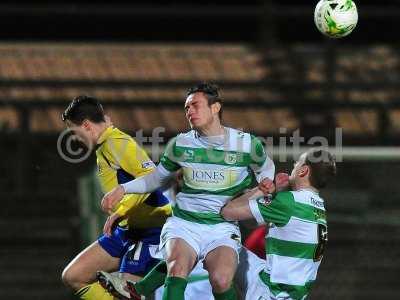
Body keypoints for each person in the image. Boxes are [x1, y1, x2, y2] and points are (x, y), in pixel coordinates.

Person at [101, 83, 275, 300]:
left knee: (221, 280)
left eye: (195, 105)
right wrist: (122, 189)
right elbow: (156, 178)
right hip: (185, 223)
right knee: (177, 269)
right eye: (186, 108)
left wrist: (266, 181)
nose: (189, 111)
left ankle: (139, 289)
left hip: (221, 227)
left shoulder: (246, 144)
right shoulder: (180, 144)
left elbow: (266, 167)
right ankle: (140, 289)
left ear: (215, 108)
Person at [60, 95, 171, 300]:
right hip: (127, 229)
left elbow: (151, 177)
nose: (74, 138)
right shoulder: (106, 143)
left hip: (150, 230)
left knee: (128, 292)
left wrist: (120, 210)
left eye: (73, 131)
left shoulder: (116, 142)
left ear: (85, 125)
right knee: (74, 275)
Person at [222, 148, 336, 300]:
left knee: (218, 242)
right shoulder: (318, 207)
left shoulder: (291, 201)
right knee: (229, 249)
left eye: (297, 164)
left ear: (303, 171)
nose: (293, 167)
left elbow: (228, 211)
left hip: (269, 292)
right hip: (291, 294)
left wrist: (262, 190)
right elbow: (252, 222)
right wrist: (275, 194)